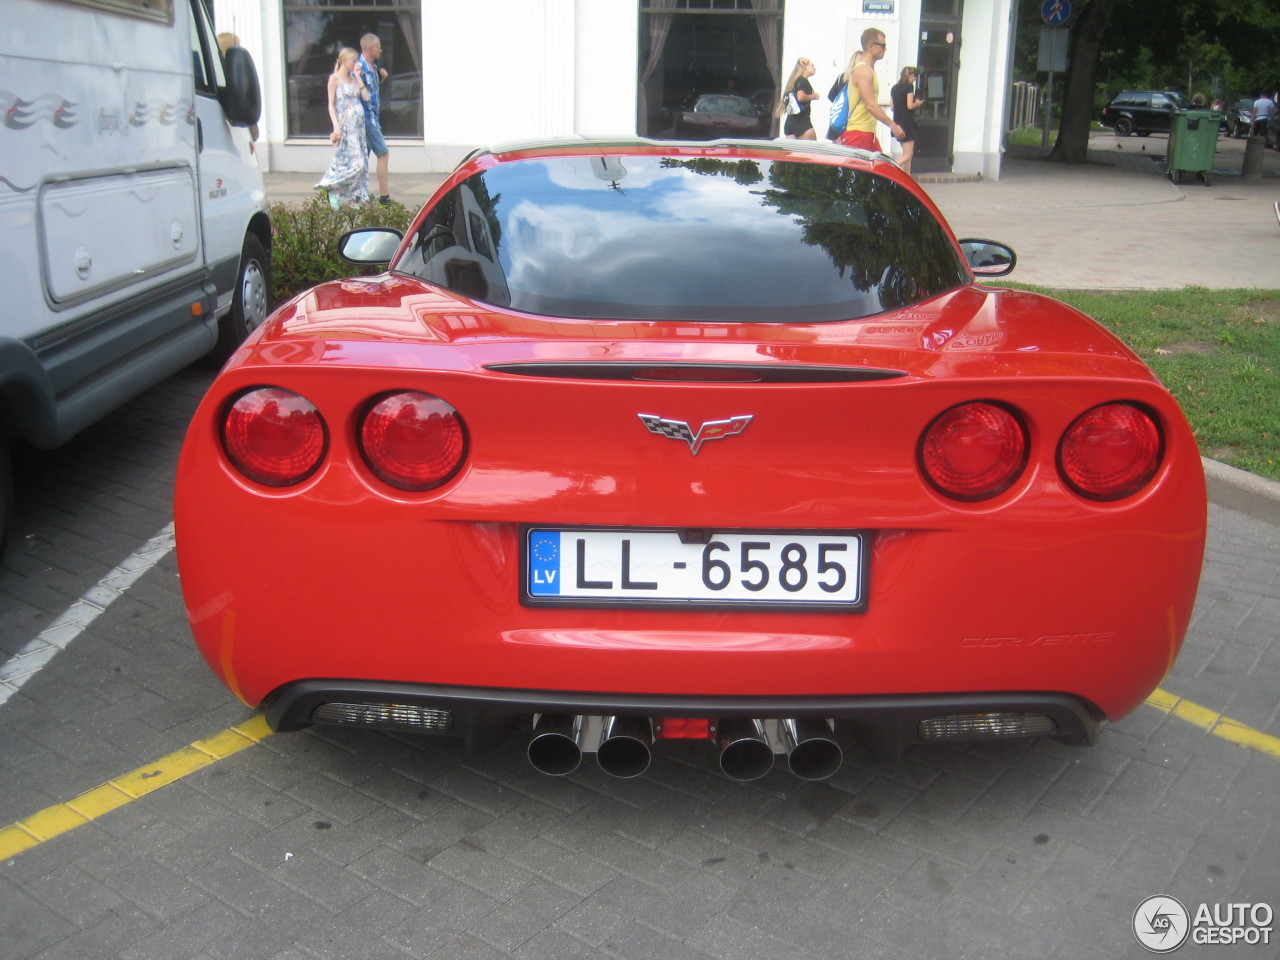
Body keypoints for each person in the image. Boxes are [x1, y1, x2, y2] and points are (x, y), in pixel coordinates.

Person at [314, 48, 370, 208]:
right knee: (356, 162)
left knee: (360, 162)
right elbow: (331, 105)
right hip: (347, 127)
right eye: (353, 61)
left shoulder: (353, 78)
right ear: (344, 61)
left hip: (359, 126)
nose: (356, 64)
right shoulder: (334, 79)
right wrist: (336, 127)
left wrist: (358, 77)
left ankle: (355, 196)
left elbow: (366, 97)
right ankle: (335, 190)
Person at [836, 28, 904, 152]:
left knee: (881, 170)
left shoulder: (868, 70)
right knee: (871, 170)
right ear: (871, 46)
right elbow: (871, 105)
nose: (885, 49)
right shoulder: (863, 71)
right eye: (883, 45)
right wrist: (893, 126)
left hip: (867, 134)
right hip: (858, 134)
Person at [357, 33, 392, 205]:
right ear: (369, 48)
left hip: (373, 117)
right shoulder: (358, 68)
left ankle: (356, 196)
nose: (380, 49)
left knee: (361, 159)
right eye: (378, 46)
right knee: (383, 154)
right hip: (367, 119)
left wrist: (382, 76)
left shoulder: (372, 67)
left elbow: (371, 93)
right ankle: (384, 198)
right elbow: (355, 93)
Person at [777, 57, 819, 140]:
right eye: (812, 65)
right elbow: (800, 97)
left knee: (793, 152)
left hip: (790, 124)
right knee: (811, 152)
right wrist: (814, 96)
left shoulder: (794, 82)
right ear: (805, 67)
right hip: (802, 123)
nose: (814, 68)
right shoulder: (803, 81)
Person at [890, 66, 921, 175]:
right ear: (912, 76)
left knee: (905, 152)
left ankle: (906, 177)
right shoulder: (909, 87)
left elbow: (892, 107)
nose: (914, 81)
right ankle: (889, 168)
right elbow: (909, 105)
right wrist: (917, 103)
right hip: (907, 122)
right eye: (915, 78)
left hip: (897, 122)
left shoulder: (894, 88)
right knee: (908, 155)